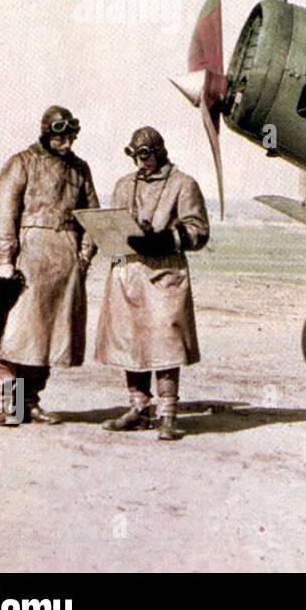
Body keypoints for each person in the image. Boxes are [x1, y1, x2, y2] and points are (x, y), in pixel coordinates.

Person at [0, 105, 98, 425]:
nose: (68, 144)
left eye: (72, 137)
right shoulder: (22, 163)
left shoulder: (79, 169)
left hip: (65, 263)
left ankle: (28, 403)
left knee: (46, 338)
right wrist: (5, 260)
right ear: (48, 133)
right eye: (62, 137)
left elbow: (92, 217)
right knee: (12, 336)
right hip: (28, 259)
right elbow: (3, 213)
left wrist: (84, 257)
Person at [96, 127, 209, 441]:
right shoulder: (123, 185)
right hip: (127, 273)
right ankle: (139, 407)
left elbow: (198, 230)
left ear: (159, 151)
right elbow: (113, 223)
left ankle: (168, 413)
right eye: (134, 155)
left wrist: (163, 240)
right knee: (129, 341)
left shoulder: (183, 184)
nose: (140, 161)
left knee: (165, 343)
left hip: (164, 274)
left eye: (145, 154)